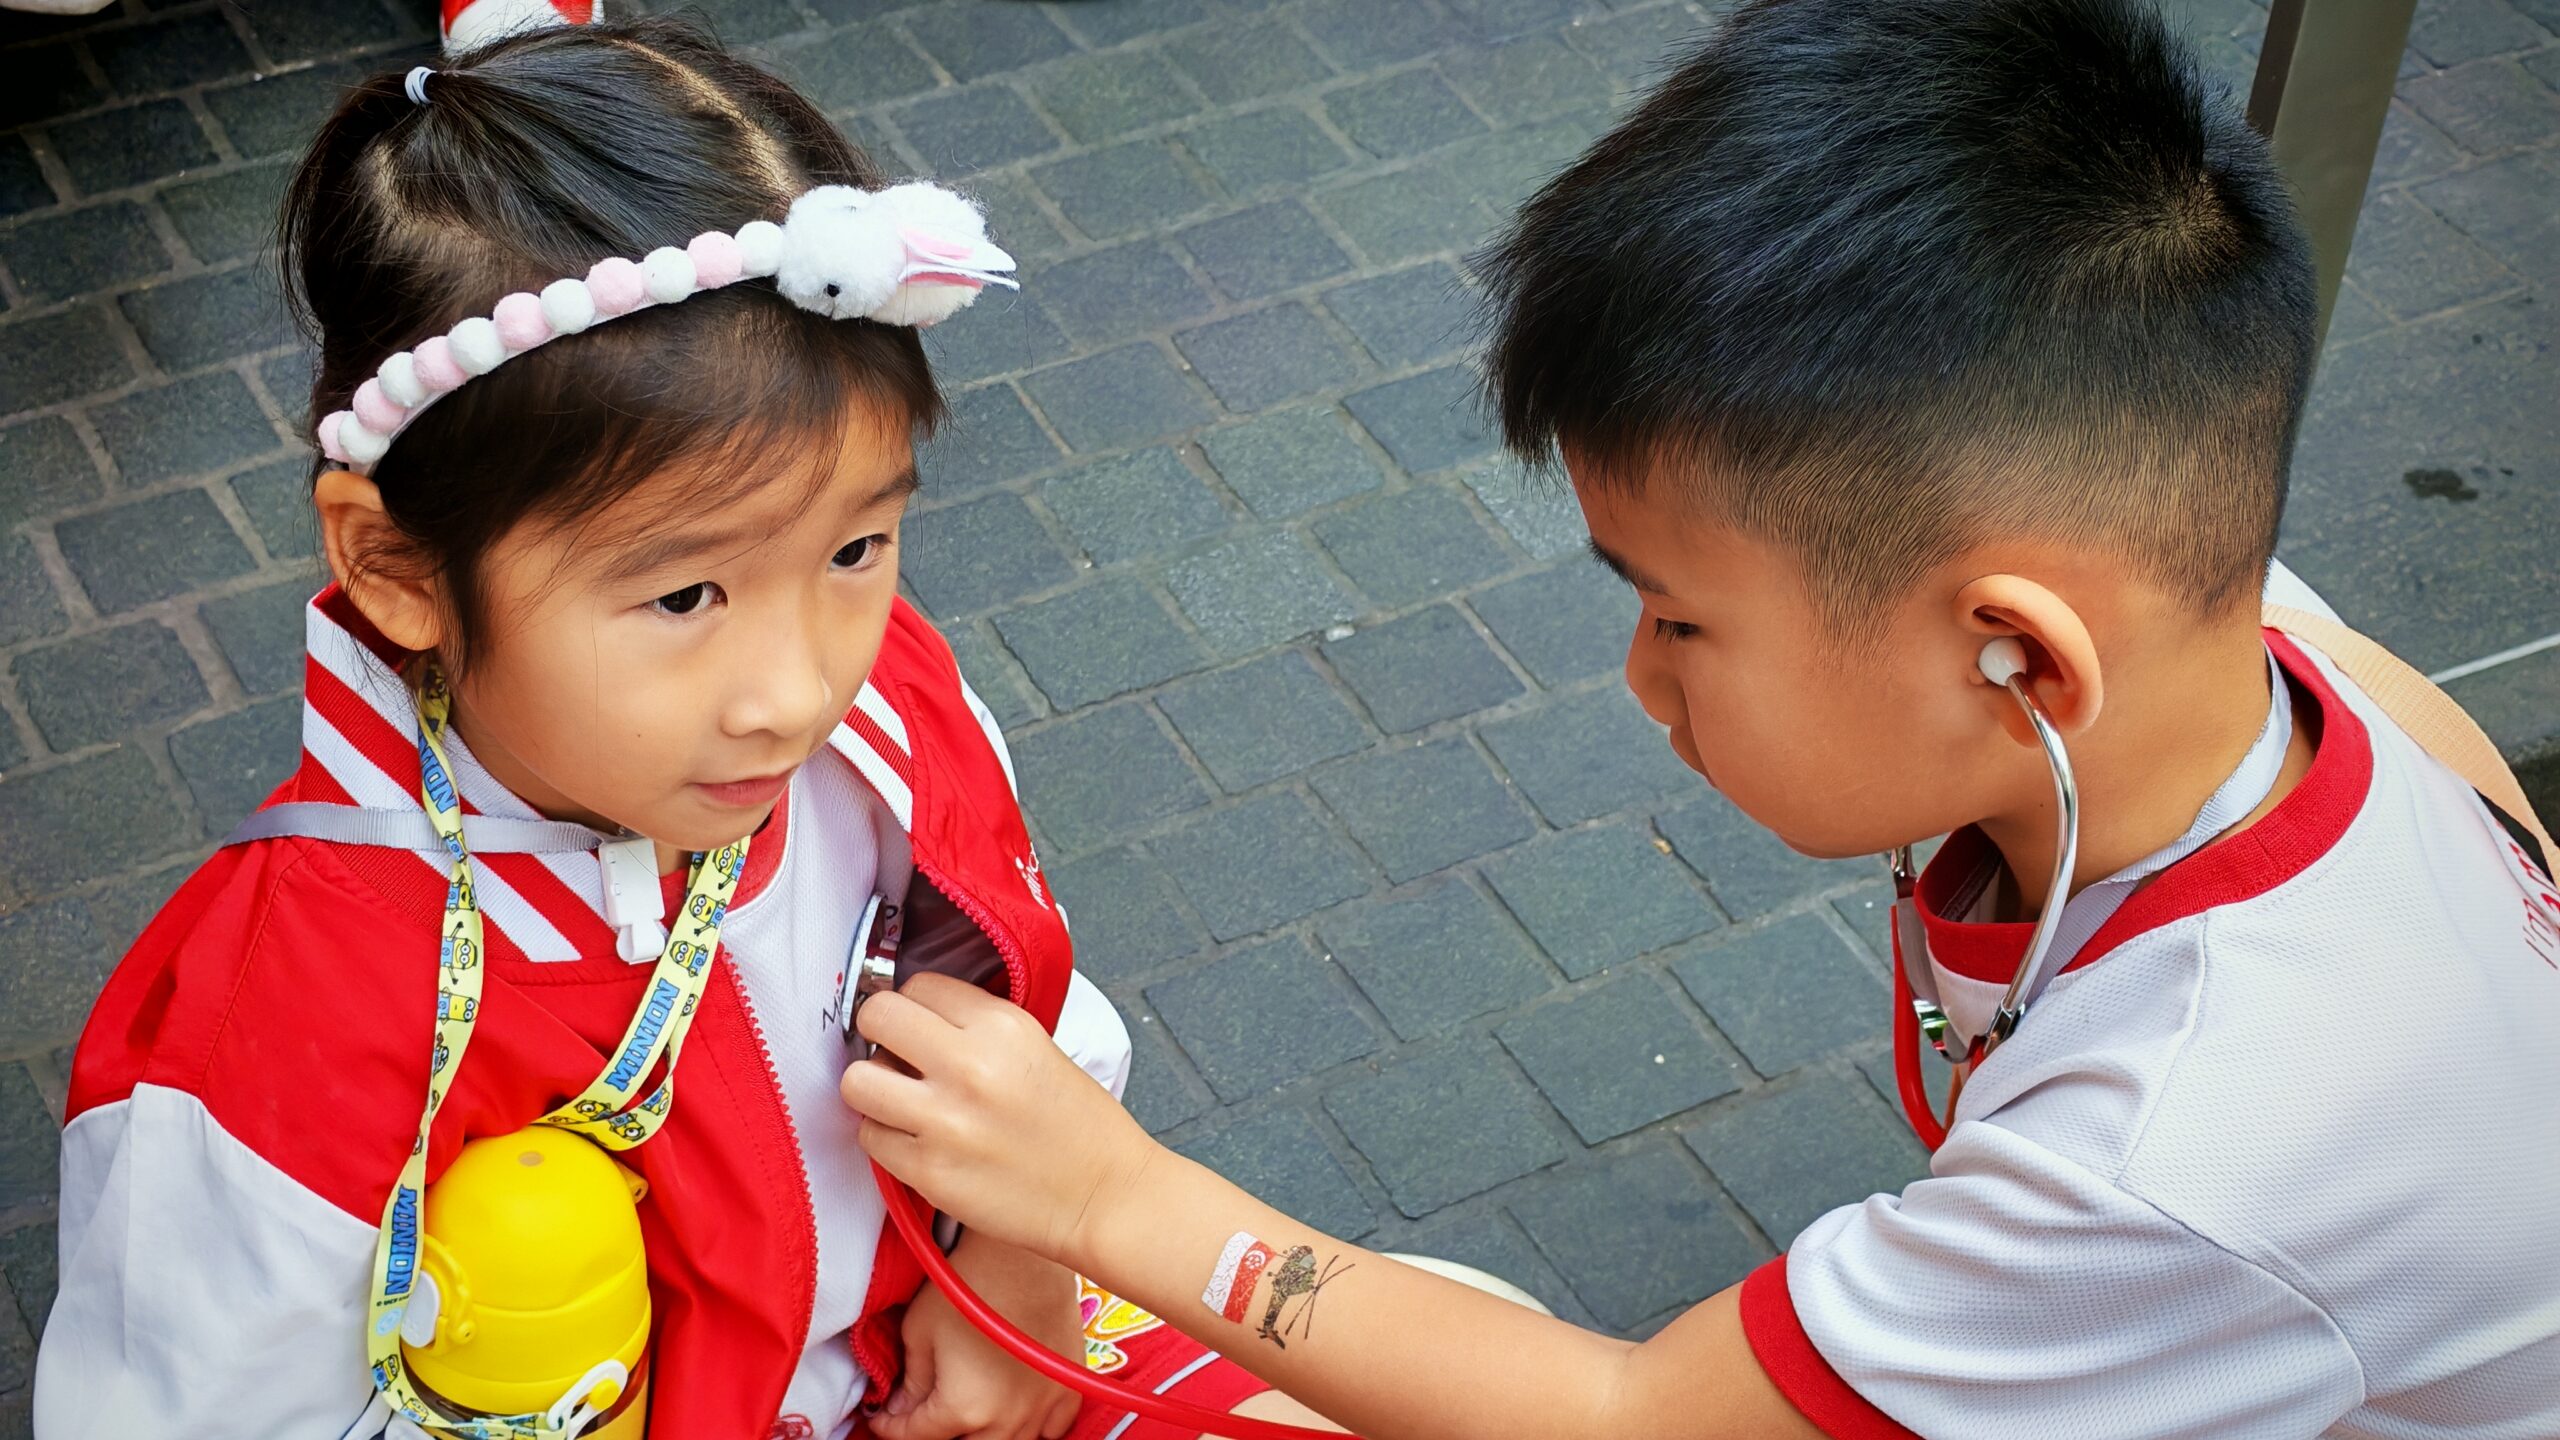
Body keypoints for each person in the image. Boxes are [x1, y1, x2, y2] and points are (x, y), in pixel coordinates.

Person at [839, 0, 2560, 1435]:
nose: (1643, 677)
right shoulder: (2261, 646)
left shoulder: (2169, 1167)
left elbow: (1634, 1421)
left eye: (1676, 614)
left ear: (2021, 661)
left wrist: (1107, 1197)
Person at [34, 20, 1322, 1440]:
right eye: (686, 592)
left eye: (856, 548)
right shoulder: (291, 1021)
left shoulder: (893, 716)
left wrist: (1021, 1269)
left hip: (964, 1350)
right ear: (397, 567)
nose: (797, 690)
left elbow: (1019, 1001)